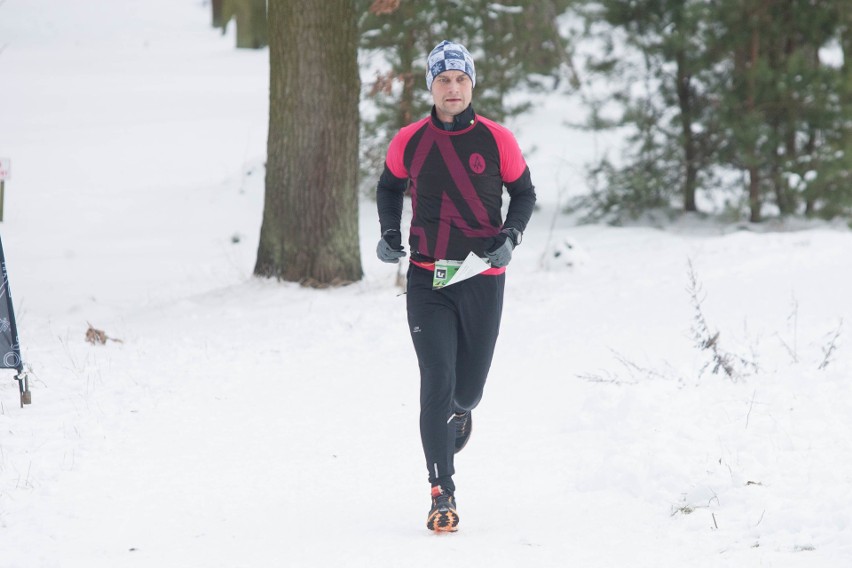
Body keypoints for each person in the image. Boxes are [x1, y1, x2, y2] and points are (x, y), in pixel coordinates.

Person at [375, 40, 536, 533]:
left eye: (460, 79)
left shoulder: (497, 139)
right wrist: (388, 234)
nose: (452, 88)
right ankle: (441, 491)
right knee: (437, 382)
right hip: (427, 276)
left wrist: (511, 236)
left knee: (467, 390)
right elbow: (388, 186)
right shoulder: (410, 139)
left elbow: (524, 193)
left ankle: (463, 411)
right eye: (443, 80)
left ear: (472, 85)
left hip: (481, 277)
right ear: (432, 86)